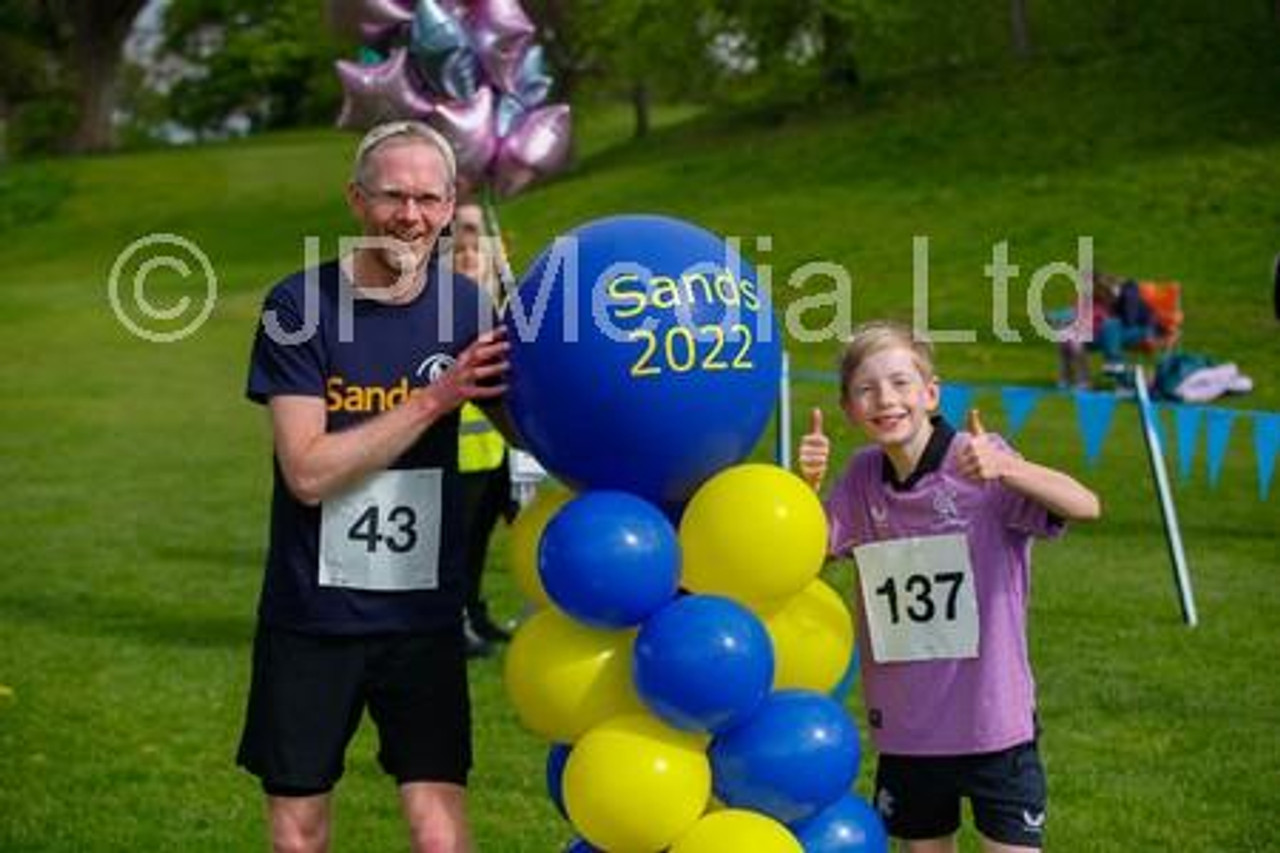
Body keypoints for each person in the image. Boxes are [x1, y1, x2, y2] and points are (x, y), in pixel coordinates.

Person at [237, 120, 511, 853]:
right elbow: (307, 471)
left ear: (452, 205)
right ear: (356, 199)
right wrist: (434, 399)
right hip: (311, 616)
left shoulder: (467, 310)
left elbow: (529, 432)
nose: (411, 216)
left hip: (423, 618)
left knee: (439, 827)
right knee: (298, 827)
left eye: (428, 197)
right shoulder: (298, 308)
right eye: (393, 196)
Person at [798, 320, 1101, 853]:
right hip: (909, 730)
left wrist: (1007, 467)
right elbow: (802, 553)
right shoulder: (863, 477)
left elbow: (1085, 504)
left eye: (900, 383)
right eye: (866, 389)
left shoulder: (979, 459)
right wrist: (805, 490)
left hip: (994, 724)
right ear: (849, 409)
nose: (885, 400)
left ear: (930, 394)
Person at [451, 204, 518, 657]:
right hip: (456, 449)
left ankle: (474, 611)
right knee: (454, 546)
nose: (468, 238)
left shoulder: (501, 298)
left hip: (498, 447)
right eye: (461, 228)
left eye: (476, 228)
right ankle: (452, 623)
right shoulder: (449, 295)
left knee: (478, 542)